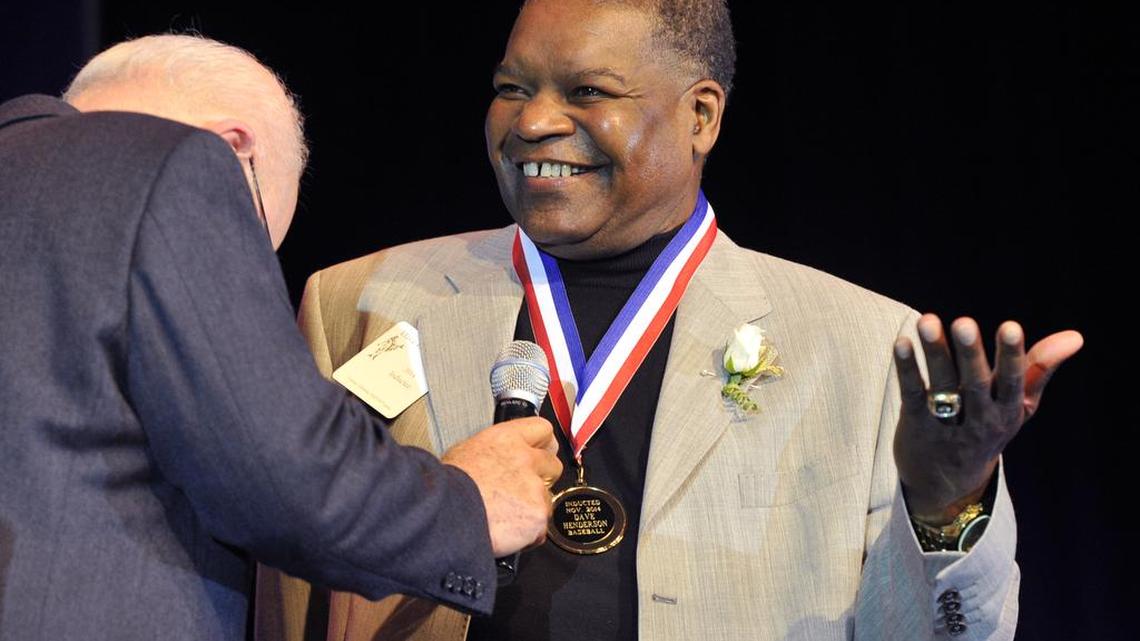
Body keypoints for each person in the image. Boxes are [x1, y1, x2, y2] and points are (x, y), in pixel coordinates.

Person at [256, 1, 1083, 640]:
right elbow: (285, 585)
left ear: (701, 117)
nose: (532, 122)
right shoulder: (361, 301)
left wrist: (947, 505)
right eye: (511, 88)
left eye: (587, 91)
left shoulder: (864, 346)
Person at [0, 34, 561, 641]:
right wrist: (468, 505)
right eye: (251, 239)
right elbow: (281, 475)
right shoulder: (181, 167)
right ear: (232, 149)